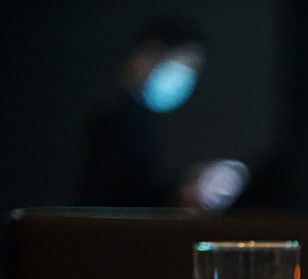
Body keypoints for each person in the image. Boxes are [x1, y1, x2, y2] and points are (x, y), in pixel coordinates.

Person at [77, 19, 247, 209]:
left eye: (194, 69)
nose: (187, 76)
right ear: (147, 54)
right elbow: (117, 197)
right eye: (184, 64)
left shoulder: (142, 118)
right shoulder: (110, 119)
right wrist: (182, 189)